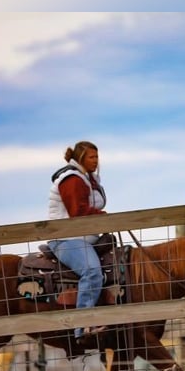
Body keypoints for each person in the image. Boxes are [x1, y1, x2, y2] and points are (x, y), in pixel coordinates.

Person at [47, 141, 108, 346]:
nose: (96, 161)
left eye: (97, 157)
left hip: (82, 237)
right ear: (81, 158)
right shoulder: (72, 179)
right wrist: (103, 216)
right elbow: (77, 212)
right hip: (66, 237)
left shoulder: (87, 178)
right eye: (92, 157)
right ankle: (82, 326)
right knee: (91, 270)